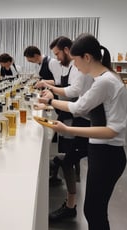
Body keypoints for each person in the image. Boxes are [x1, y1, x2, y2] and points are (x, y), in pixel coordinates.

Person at [39, 33, 127, 230]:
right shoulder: (106, 78)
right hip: (104, 154)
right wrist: (51, 101)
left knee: (94, 212)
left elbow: (112, 130)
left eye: (76, 61)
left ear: (87, 57)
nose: (75, 66)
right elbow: (82, 107)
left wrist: (67, 128)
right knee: (94, 211)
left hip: (108, 155)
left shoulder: (105, 81)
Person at [35, 36, 93, 221]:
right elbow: (68, 90)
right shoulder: (72, 66)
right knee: (66, 158)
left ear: (68, 50)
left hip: (80, 120)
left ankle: (70, 206)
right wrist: (50, 93)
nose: (57, 58)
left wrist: (51, 100)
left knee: (67, 159)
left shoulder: (80, 69)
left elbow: (74, 93)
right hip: (73, 117)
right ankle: (70, 201)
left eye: (58, 53)